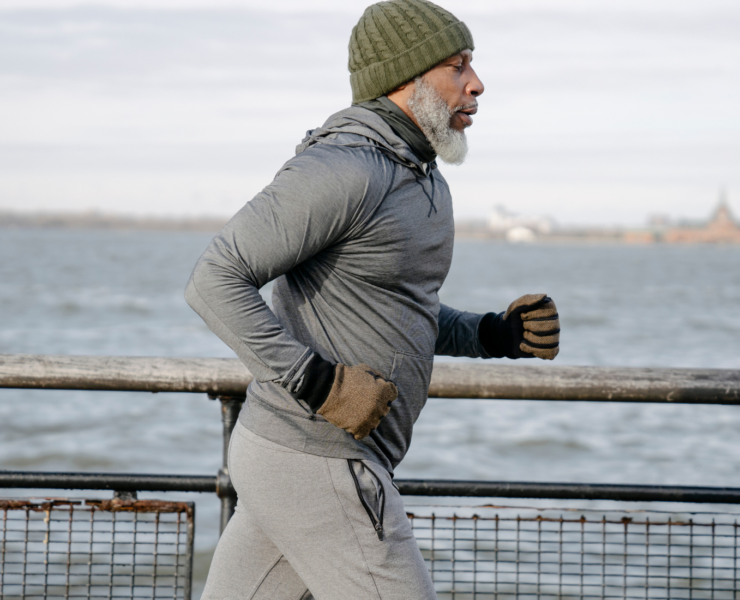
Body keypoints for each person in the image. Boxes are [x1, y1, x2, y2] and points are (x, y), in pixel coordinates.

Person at [186, 1, 560, 598]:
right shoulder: (343, 169)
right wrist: (317, 383)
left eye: (473, 64)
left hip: (298, 461)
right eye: (457, 66)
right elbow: (214, 279)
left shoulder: (422, 175)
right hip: (319, 458)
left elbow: (395, 308)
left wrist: (490, 334)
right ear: (406, 78)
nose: (477, 82)